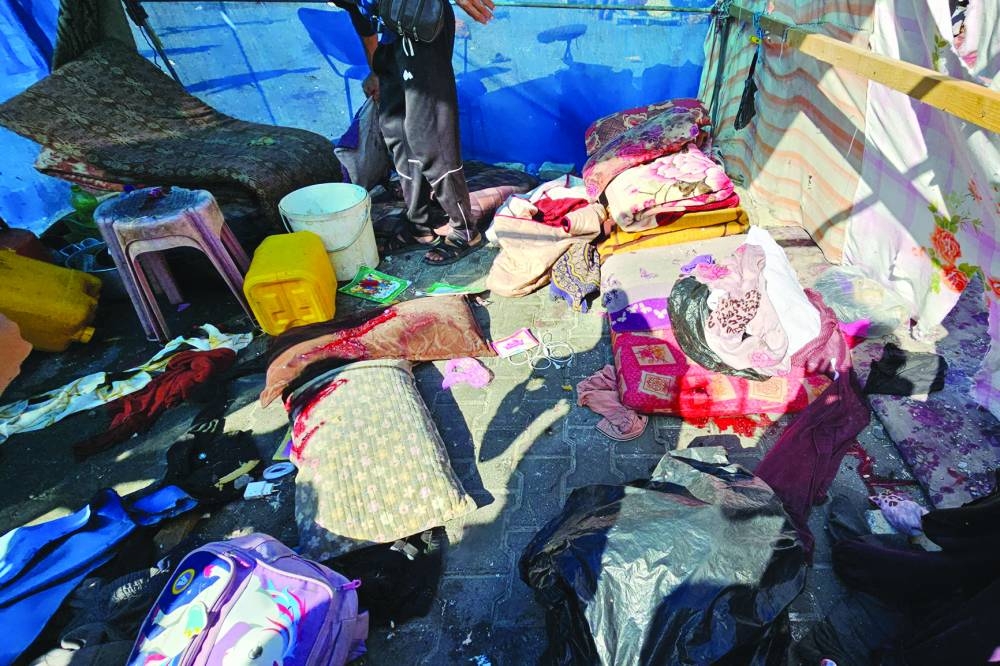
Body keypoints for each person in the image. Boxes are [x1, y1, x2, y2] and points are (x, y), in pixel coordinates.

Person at [332, 0, 495, 265]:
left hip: (420, 20)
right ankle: (419, 227)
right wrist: (376, 71)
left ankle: (465, 231)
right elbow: (361, 16)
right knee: (397, 133)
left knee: (429, 135)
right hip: (391, 34)